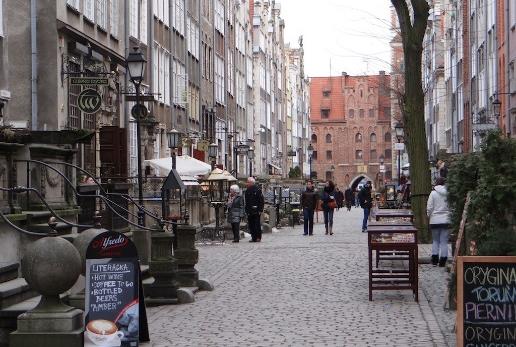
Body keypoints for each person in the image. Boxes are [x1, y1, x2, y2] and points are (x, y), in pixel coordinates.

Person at [427, 177, 450, 267]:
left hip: (435, 220)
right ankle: (443, 261)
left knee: (435, 241)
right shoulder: (448, 194)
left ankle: (435, 260)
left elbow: (429, 207)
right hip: (445, 219)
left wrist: (429, 215)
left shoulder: (433, 193)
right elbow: (451, 206)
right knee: (444, 241)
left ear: (436, 183)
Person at [244, 177, 264, 242]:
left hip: (256, 210)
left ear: (251, 183)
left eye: (247, 182)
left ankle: (258, 237)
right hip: (249, 210)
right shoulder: (247, 191)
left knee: (256, 224)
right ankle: (253, 237)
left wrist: (260, 210)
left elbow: (261, 200)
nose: (246, 183)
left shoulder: (257, 190)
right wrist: (246, 210)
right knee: (251, 225)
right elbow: (247, 201)